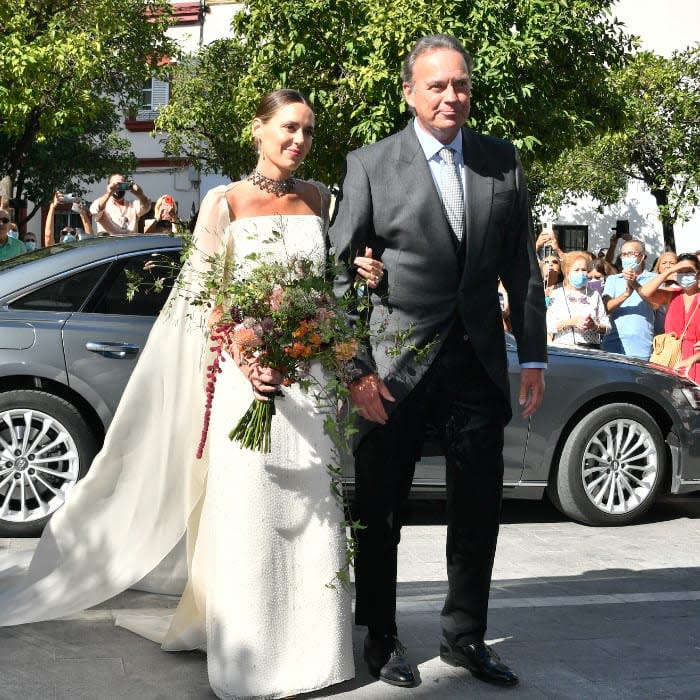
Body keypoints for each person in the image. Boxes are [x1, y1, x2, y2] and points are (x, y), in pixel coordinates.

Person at [0, 89, 386, 700]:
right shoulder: (224, 201)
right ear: (258, 129)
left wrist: (363, 288)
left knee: (315, 514)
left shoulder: (319, 200)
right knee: (254, 511)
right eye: (288, 128)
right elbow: (208, 301)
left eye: (309, 131)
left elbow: (328, 292)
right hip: (249, 381)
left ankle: (319, 653)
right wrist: (250, 354)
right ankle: (251, 658)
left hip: (310, 385)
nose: (299, 141)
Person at [330, 34, 546, 689]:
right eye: (437, 86)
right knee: (382, 511)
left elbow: (523, 270)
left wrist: (531, 356)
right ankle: (382, 638)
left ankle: (464, 638)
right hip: (391, 370)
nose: (451, 96)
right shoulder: (369, 165)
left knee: (477, 511)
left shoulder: (502, 162)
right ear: (409, 92)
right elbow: (336, 273)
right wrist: (355, 371)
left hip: (477, 363)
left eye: (460, 84)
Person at [640, 253, 700, 382]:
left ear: (698, 274)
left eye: (689, 271)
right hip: (671, 360)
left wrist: (692, 359)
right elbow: (645, 292)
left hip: (696, 362)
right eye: (681, 271)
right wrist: (671, 270)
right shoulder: (671, 295)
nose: (684, 275)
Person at [601, 239, 658, 360]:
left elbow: (655, 304)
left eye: (631, 254)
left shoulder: (654, 279)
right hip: (613, 345)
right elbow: (605, 308)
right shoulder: (613, 279)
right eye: (624, 254)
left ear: (643, 256)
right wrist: (626, 294)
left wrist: (635, 284)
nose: (627, 257)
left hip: (642, 347)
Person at [546, 251, 609, 348]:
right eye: (576, 270)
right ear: (567, 272)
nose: (581, 273)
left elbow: (607, 327)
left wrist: (594, 326)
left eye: (584, 270)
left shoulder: (594, 294)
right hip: (564, 350)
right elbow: (549, 326)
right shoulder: (556, 294)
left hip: (591, 350)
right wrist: (571, 322)